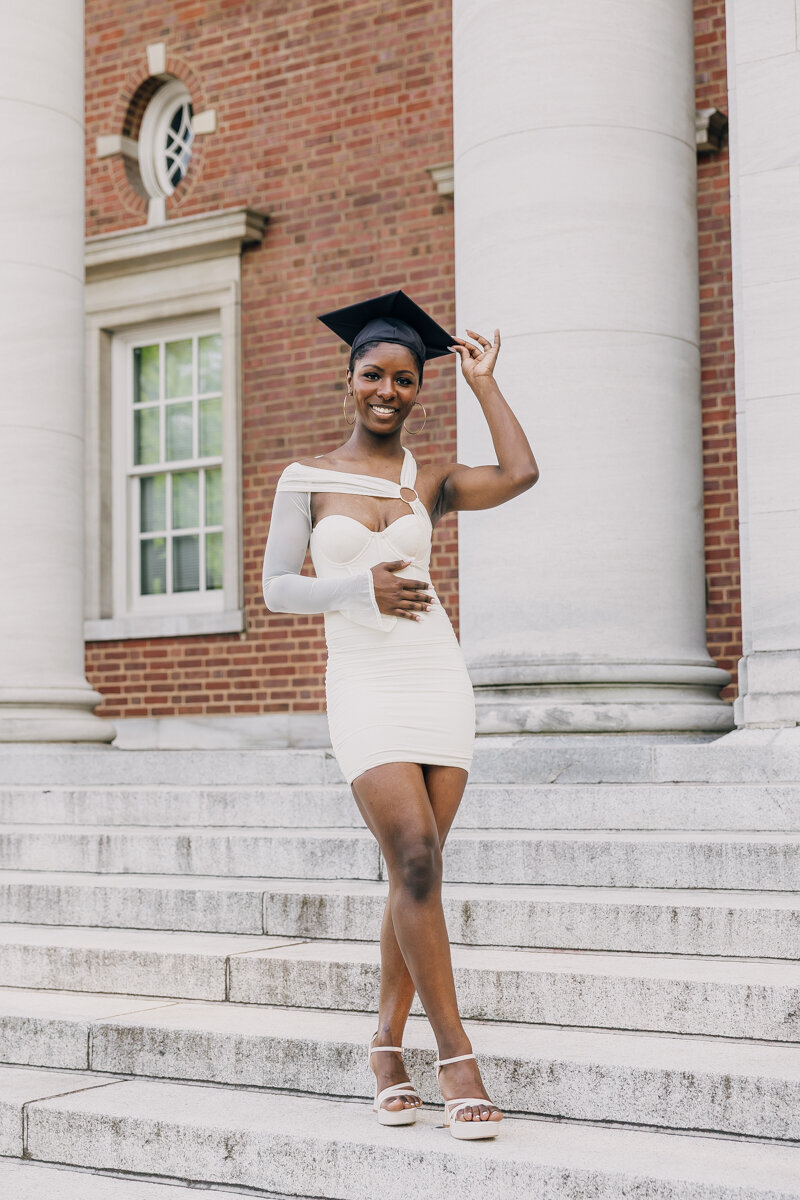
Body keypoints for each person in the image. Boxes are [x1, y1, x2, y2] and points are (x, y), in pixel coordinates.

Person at [262, 290, 538, 1140]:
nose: (390, 390)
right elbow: (276, 590)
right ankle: (456, 1055)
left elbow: (521, 474)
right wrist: (358, 584)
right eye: (375, 375)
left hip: (436, 677)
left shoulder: (430, 480)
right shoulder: (305, 481)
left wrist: (485, 381)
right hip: (366, 682)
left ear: (420, 387)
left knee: (414, 870)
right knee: (414, 854)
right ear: (348, 380)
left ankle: (385, 1043)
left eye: (406, 379)